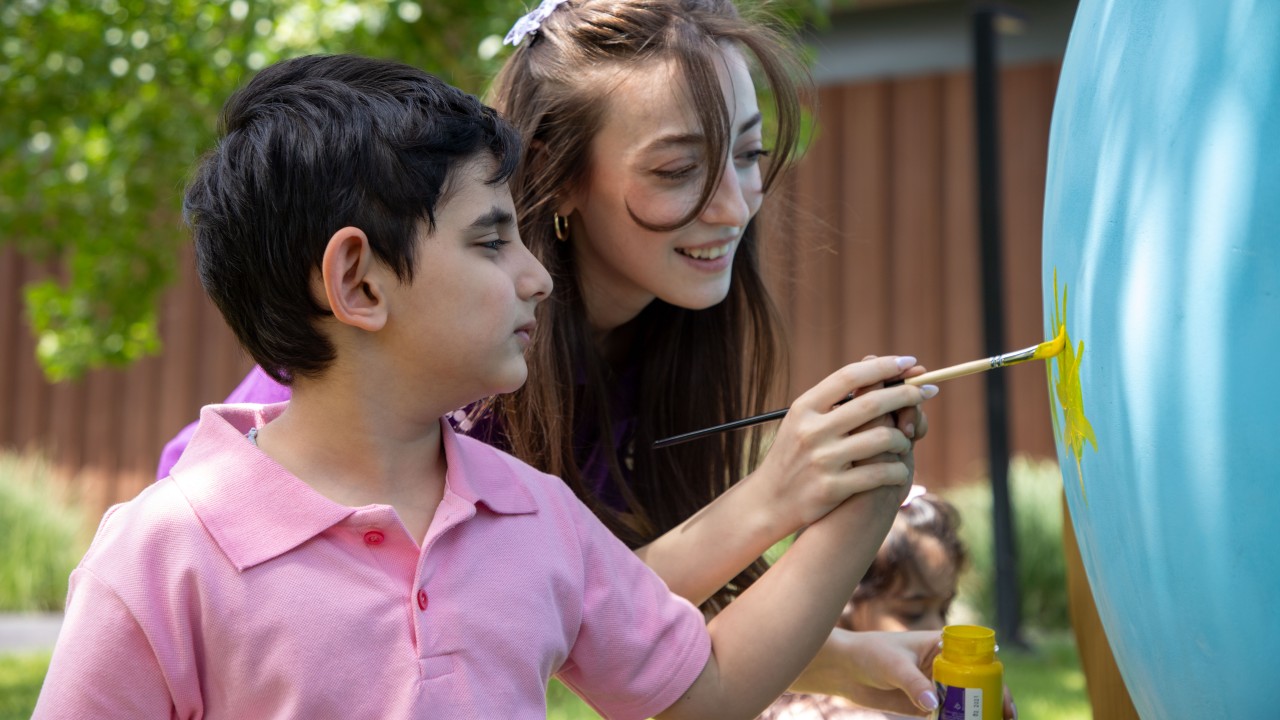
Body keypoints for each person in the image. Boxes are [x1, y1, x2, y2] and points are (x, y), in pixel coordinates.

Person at [34, 53, 935, 719]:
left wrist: (858, 497)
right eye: (491, 240)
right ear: (359, 282)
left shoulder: (532, 513)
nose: (535, 275)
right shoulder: (161, 557)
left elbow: (696, 690)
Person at [760, 491, 971, 720]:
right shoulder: (801, 715)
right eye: (913, 613)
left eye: (944, 610)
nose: (938, 629)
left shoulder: (928, 706)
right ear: (839, 602)